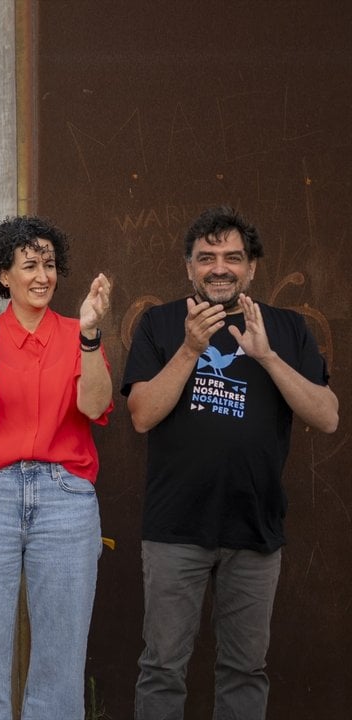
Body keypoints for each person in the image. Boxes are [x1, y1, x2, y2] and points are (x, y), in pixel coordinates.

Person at [125, 206, 338, 719]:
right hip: (176, 527)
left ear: (252, 268)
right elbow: (142, 416)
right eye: (207, 258)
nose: (219, 268)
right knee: (162, 668)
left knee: (245, 670)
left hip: (256, 528)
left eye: (232, 258)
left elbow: (327, 416)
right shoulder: (159, 323)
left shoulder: (286, 329)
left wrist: (266, 357)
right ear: (189, 267)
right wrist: (191, 348)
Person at [0, 215, 113, 719]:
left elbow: (95, 406)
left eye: (49, 264)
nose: (42, 275)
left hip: (66, 501)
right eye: (29, 265)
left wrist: (89, 337)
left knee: (60, 667)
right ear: (5, 275)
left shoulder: (78, 333)